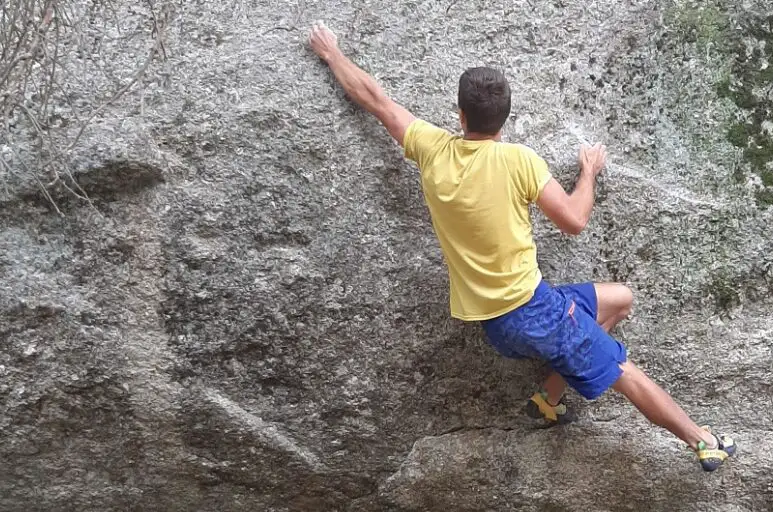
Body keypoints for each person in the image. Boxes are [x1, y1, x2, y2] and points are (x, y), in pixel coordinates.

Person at [306, 21, 735, 470]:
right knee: (621, 371)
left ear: (460, 114)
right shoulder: (519, 161)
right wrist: (588, 173)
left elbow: (377, 100)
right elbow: (573, 220)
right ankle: (701, 439)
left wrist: (333, 54)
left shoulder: (433, 150)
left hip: (500, 322)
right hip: (534, 313)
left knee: (619, 300)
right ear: (505, 118)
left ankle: (548, 401)